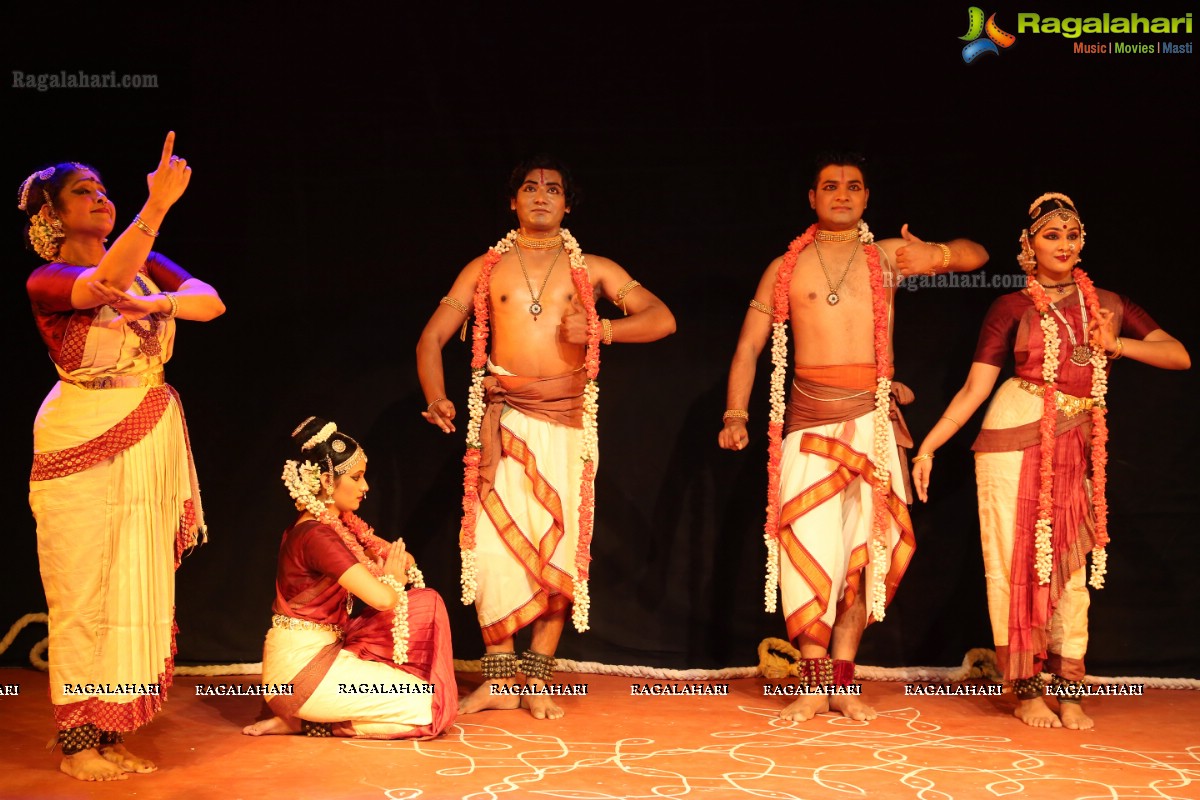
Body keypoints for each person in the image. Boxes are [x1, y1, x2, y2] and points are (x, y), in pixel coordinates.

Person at [718, 152, 988, 722]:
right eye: (830, 186)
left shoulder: (887, 257)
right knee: (812, 552)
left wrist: (935, 254)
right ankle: (813, 683)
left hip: (871, 423)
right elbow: (748, 346)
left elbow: (977, 255)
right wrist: (736, 415)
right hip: (809, 422)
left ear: (867, 199)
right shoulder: (784, 268)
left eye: (854, 187)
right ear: (811, 199)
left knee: (863, 560)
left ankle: (842, 680)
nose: (842, 194)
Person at [912, 193, 1189, 730]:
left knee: (1070, 569)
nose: (1063, 244)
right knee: (1014, 563)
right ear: (1028, 245)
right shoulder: (1010, 307)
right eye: (1051, 235)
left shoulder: (1108, 302)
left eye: (1071, 235)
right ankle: (1027, 689)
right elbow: (975, 388)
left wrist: (1118, 346)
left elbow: (1178, 354)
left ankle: (1069, 686)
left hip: (1074, 440)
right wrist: (930, 445)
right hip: (1011, 436)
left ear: (1082, 242)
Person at [416, 156, 675, 719]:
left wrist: (603, 329)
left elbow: (661, 318)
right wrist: (437, 396)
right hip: (504, 419)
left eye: (552, 189)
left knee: (559, 548)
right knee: (490, 550)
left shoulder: (595, 269)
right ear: (513, 202)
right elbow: (432, 338)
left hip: (567, 423)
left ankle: (536, 680)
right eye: (530, 188)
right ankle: (500, 678)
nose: (541, 196)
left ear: (567, 204)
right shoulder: (485, 269)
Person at [20, 132, 225, 781]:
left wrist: (160, 300)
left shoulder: (148, 264)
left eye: (106, 190)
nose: (102, 198)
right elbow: (102, 283)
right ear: (53, 214)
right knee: (83, 591)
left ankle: (107, 732)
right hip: (79, 438)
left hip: (146, 435)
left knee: (134, 585)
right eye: (85, 191)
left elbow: (210, 301)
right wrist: (156, 205)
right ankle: (78, 742)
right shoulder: (48, 278)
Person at [243, 416, 457, 739]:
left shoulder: (337, 526)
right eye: (356, 478)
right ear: (328, 481)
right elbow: (384, 598)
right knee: (427, 705)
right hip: (302, 672)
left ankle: (309, 718)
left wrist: (392, 569)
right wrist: (392, 579)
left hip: (327, 655)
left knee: (426, 603)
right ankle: (309, 722)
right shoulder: (317, 536)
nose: (365, 487)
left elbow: (406, 562)